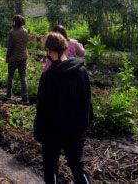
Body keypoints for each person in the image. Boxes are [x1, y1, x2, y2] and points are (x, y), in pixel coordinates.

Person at [34, 32, 93, 184]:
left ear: (48, 50)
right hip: (76, 129)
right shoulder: (81, 71)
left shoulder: (48, 76)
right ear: (65, 48)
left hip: (53, 132)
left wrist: (39, 131)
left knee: (51, 167)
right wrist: (86, 123)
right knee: (77, 166)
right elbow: (87, 100)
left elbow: (42, 108)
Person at [3, 15, 29, 104]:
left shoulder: (12, 33)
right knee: (23, 78)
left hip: (13, 59)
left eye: (12, 21)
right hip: (23, 58)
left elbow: (9, 47)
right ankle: (25, 98)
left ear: (14, 22)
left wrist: (7, 57)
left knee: (10, 77)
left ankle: (8, 95)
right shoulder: (26, 31)